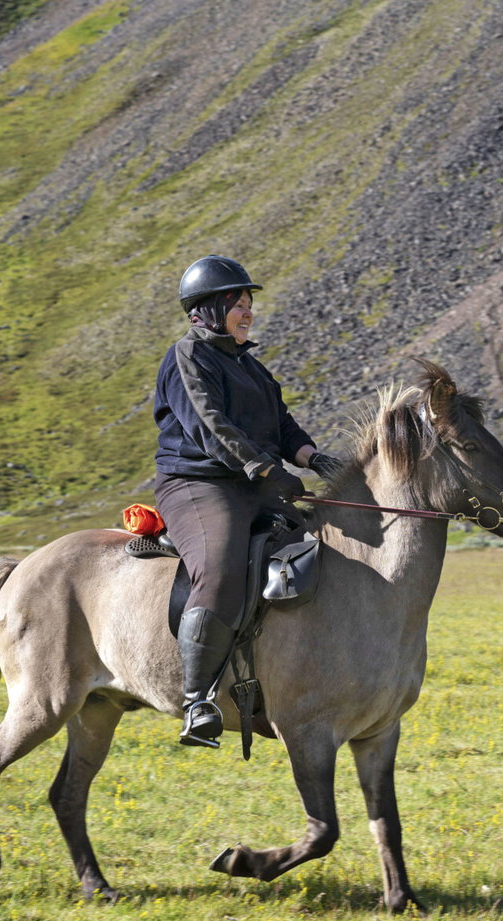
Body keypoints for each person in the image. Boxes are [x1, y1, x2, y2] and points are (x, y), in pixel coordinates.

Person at [153, 254, 342, 748]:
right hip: (198, 485)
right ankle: (198, 701)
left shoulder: (251, 367)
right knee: (220, 567)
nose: (247, 311)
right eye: (236, 302)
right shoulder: (186, 357)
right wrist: (262, 467)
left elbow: (281, 426)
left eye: (248, 302)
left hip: (255, 484)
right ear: (205, 311)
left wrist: (313, 458)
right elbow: (210, 425)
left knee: (322, 552)